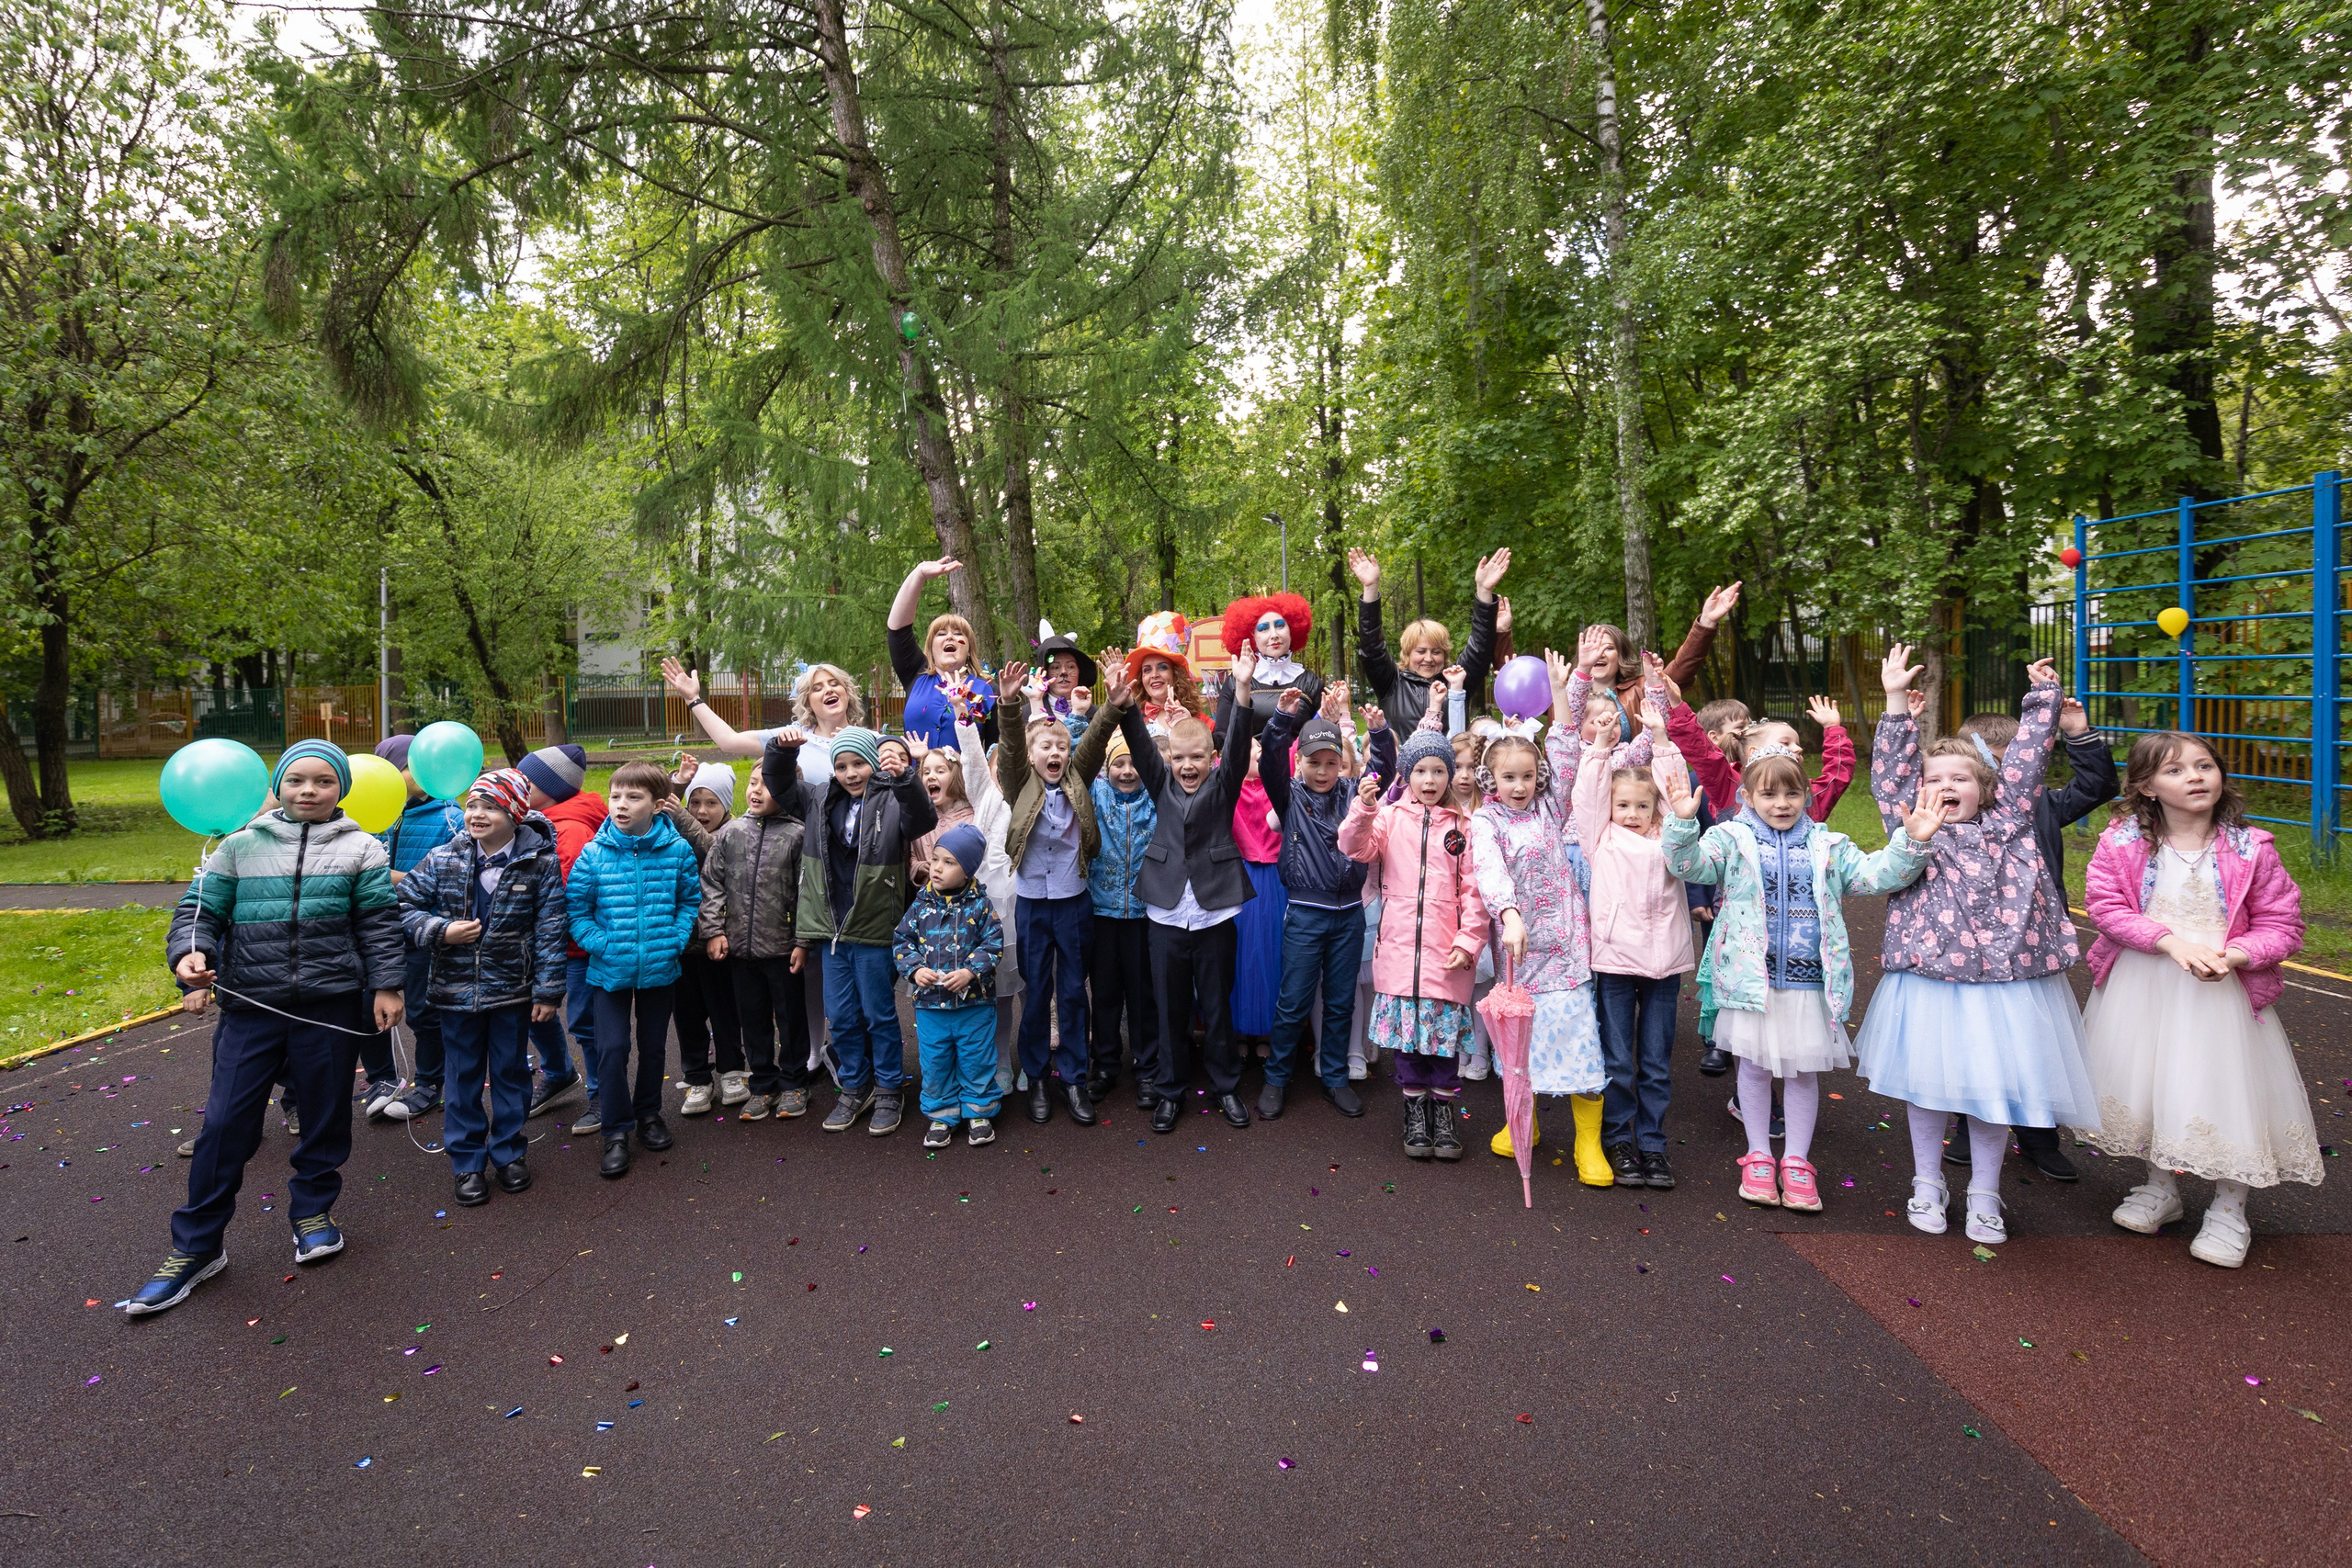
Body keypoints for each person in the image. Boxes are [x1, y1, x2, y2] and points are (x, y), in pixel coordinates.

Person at [127, 739, 406, 1315]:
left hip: (329, 1007)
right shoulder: (238, 846)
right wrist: (190, 957)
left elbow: (379, 923)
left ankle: (312, 1212)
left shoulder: (363, 850)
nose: (309, 790)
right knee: (226, 1123)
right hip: (250, 1007)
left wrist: (387, 984)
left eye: (324, 782)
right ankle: (197, 1247)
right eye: (297, 779)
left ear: (342, 790)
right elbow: (198, 913)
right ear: (277, 786)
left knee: (325, 1117)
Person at [1858, 649, 2099, 1246]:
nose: (1944, 787)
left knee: (1997, 1090)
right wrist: (1893, 703)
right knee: (1929, 1086)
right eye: (1934, 779)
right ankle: (1926, 1181)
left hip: (2006, 985)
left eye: (1959, 778)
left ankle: (1985, 1192)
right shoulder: (1912, 825)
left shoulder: (2011, 817)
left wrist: (2044, 697)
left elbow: (2027, 760)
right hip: (1933, 981)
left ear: (1986, 787)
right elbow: (1890, 772)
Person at [1661, 724, 1939, 1212]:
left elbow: (1877, 876)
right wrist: (1684, 826)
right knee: (1752, 1067)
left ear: (1807, 795)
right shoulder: (1730, 839)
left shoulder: (1829, 847)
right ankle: (1758, 1156)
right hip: (1753, 981)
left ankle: (1797, 1161)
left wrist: (1909, 843)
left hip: (1810, 982)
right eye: (1769, 794)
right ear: (1747, 795)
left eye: (1792, 793)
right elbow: (1688, 869)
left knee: (1802, 1073)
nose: (1782, 803)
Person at [2080, 731, 2317, 1268]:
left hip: (2221, 994)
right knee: (2155, 1082)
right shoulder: (2121, 843)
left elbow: (2283, 923)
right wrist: (2171, 943)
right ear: (2145, 787)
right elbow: (2107, 907)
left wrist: (2233, 957)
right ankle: (2161, 1188)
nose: (2194, 777)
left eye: (2204, 765)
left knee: (2226, 1089)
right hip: (2146, 983)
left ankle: (2230, 1209)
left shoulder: (2251, 849)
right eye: (2176, 770)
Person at [1942, 699, 2118, 1180]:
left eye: (2010, 760)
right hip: (1971, 947)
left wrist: (2077, 733)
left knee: (2034, 1038)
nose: (2001, 773)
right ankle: (1968, 1122)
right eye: (1985, 763)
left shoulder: (2038, 801)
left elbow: (2099, 786)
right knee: (1975, 1036)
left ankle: (2038, 1134)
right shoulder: (1953, 811)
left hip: (2032, 944)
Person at [395, 769, 568, 1206]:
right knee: (463, 1075)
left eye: (489, 806)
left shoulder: (540, 863)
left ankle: (508, 1152)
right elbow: (404, 904)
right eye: (472, 805)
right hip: (455, 993)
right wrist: (440, 930)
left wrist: (547, 991)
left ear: (514, 811)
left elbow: (550, 928)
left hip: (512, 991)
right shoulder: (443, 857)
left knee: (510, 1074)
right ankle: (467, 1161)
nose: (477, 814)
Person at [1465, 666, 1610, 1184]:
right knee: (1520, 1046)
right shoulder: (1487, 821)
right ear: (1491, 780)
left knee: (1578, 1041)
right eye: (1509, 777)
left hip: (1566, 947)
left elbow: (1568, 752)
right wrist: (1508, 915)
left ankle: (1588, 1145)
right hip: (1519, 952)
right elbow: (1489, 871)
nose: (1520, 785)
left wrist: (1563, 695)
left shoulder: (1551, 806)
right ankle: (1520, 1123)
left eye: (1527, 775)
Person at [1119, 648, 1265, 1132]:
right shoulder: (1158, 781)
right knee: (1171, 1010)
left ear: (1211, 758)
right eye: (1179, 758)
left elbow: (1240, 744)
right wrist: (1122, 703)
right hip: (1164, 912)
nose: (1187, 765)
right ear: (1169, 760)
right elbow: (1141, 745)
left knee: (1218, 1007)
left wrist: (1241, 690)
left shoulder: (1223, 785)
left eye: (1196, 758)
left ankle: (1226, 1087)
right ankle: (1169, 1090)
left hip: (1214, 913)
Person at [774, 727, 936, 1136]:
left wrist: (904, 778)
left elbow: (923, 818)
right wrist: (779, 752)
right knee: (842, 1017)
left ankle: (887, 1087)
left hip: (873, 925)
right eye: (842, 766)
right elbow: (779, 784)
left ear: (874, 764)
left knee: (878, 1014)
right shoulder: (817, 798)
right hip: (833, 929)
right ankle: (854, 1084)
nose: (850, 773)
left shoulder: (891, 798)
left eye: (859, 764)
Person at [1340, 725, 1488, 1160]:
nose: (1429, 780)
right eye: (1420, 770)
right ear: (1406, 774)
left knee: (1442, 1048)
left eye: (1438, 771)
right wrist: (1364, 809)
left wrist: (1468, 940)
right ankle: (1415, 1112)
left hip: (1447, 957)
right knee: (1408, 1046)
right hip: (1401, 955)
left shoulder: (1464, 825)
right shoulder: (1388, 818)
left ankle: (1443, 1114)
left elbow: (1474, 892)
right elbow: (1353, 846)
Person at [995, 658, 1128, 1125]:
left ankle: (1072, 1078)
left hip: (1073, 902)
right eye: (1045, 746)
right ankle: (1036, 1078)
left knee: (1073, 991)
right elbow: (1010, 747)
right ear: (1033, 757)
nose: (1054, 751)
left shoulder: (1077, 775)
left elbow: (1092, 741)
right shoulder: (1019, 781)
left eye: (1061, 745)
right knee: (1037, 992)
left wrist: (1111, 705)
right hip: (1032, 901)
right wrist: (1010, 704)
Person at [1573, 706, 1697, 1190]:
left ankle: (1652, 1143)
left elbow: (1676, 792)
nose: (1630, 814)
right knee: (1619, 1059)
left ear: (1655, 810)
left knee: (1654, 1061)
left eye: (1640, 807)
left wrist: (1661, 737)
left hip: (1665, 964)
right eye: (1621, 805)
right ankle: (1618, 1139)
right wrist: (1602, 747)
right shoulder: (1599, 838)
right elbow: (1588, 796)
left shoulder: (1673, 839)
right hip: (1616, 961)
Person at [1260, 688, 1394, 1120]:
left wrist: (1381, 734)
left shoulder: (1354, 792)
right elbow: (1268, 764)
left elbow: (1384, 774)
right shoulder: (1290, 796)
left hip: (1349, 914)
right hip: (1304, 912)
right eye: (1313, 762)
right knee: (1294, 999)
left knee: (1340, 1001)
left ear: (1342, 763)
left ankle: (1335, 1078)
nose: (1322, 771)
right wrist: (1281, 719)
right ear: (1300, 763)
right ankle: (1276, 1079)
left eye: (1331, 762)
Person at [567, 760, 704, 1179]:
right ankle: (616, 1130)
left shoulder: (677, 849)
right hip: (609, 971)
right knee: (611, 1049)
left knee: (654, 1047)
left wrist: (675, 940)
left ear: (658, 804)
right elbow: (577, 910)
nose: (621, 805)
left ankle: (648, 1114)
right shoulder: (594, 853)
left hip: (661, 968)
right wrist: (601, 944)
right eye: (615, 796)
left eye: (633, 797)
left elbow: (689, 901)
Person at [698, 751, 815, 1122]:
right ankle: (762, 1083)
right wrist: (714, 930)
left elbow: (807, 893)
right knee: (754, 1020)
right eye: (753, 782)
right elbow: (711, 883)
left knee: (791, 1017)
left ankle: (795, 1082)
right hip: (740, 950)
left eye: (768, 784)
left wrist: (802, 940)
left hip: (783, 948)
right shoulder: (731, 833)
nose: (757, 791)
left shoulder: (797, 835)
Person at [895, 824, 1007, 1148]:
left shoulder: (981, 906)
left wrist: (971, 972)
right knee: (935, 1060)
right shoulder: (920, 906)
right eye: (935, 859)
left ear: (968, 869)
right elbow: (902, 941)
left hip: (975, 1004)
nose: (937, 868)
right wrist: (915, 970)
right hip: (930, 1006)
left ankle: (979, 1111)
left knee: (976, 1057)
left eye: (949, 862)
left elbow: (994, 944)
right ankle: (941, 1115)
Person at [371, 733, 462, 1122]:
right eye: (412, 767)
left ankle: (430, 1082)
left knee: (426, 1011)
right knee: (370, 1007)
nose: (422, 775)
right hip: (376, 927)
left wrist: (392, 876)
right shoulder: (372, 814)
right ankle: (381, 1079)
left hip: (424, 928)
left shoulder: (449, 816)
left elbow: (452, 877)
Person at [516, 742, 607, 1133]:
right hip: (546, 943)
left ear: (549, 788)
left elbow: (568, 890)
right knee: (533, 1009)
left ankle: (603, 1093)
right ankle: (558, 1073)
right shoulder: (540, 820)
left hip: (574, 947)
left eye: (527, 780)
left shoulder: (568, 828)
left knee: (586, 1022)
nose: (519, 786)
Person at [1347, 546, 1506, 734]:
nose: (1428, 658)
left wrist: (1484, 591)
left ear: (1445, 653)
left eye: (1436, 651)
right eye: (1421, 651)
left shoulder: (1456, 681)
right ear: (1407, 653)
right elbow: (1371, 646)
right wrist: (1370, 588)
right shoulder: (1391, 682)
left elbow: (1480, 648)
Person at [662, 761, 744, 1118]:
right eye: (695, 802)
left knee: (724, 1009)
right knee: (688, 1013)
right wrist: (677, 785)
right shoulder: (672, 830)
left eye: (711, 803)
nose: (701, 811)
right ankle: (697, 1077)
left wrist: (683, 817)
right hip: (681, 941)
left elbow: (714, 853)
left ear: (726, 806)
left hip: (718, 939)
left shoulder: (734, 832)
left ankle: (731, 1072)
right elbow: (656, 808)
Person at [1087, 723, 1158, 1107]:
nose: (1127, 771)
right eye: (1119, 764)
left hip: (1145, 913)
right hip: (1102, 912)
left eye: (1134, 763)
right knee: (1106, 993)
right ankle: (1105, 1065)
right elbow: (1082, 761)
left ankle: (1148, 1069)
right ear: (1107, 768)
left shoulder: (1155, 798)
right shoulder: (1096, 794)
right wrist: (1082, 718)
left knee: (1143, 994)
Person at [662, 656, 866, 785]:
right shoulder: (791, 739)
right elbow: (729, 741)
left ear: (847, 693)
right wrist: (692, 699)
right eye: (818, 688)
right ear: (808, 702)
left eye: (834, 684)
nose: (829, 689)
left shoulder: (873, 740)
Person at [1580, 581, 1745, 737]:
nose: (1599, 653)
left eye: (1608, 648)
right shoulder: (1565, 694)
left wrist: (1707, 622)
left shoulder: (1643, 689)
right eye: (1593, 646)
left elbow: (1684, 666)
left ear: (1621, 655)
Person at [887, 558, 998, 750]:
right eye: (941, 634)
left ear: (969, 648)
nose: (950, 638)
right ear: (930, 648)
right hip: (914, 779)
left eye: (958, 634)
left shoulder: (989, 690)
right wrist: (918, 574)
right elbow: (897, 630)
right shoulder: (916, 674)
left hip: (965, 780)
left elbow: (995, 752)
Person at [1215, 592, 1323, 741]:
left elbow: (1321, 735)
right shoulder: (1235, 681)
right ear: (1252, 636)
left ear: (1292, 631)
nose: (1274, 635)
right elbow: (1222, 736)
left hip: (1296, 762)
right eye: (1264, 628)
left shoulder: (1311, 682)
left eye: (1280, 626)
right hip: (1250, 763)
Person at [1124, 612, 1212, 728]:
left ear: (1176, 674)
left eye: (1162, 667)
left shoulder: (1202, 723)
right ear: (1141, 678)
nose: (1154, 675)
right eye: (1147, 670)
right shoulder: (1129, 721)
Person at [1035, 628, 1100, 741]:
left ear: (1080, 672)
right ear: (1045, 674)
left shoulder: (1098, 716)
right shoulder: (1027, 714)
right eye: (1055, 667)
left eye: (1070, 666)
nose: (1064, 672)